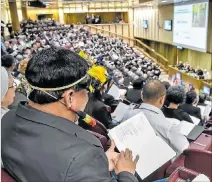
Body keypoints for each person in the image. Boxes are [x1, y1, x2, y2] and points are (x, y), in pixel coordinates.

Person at [2, 47, 139, 182]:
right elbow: (70, 164)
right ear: (70, 97)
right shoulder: (82, 156)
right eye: (86, 91)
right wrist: (126, 173)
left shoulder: (7, 119)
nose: (88, 96)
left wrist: (95, 167)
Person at [124, 80, 189, 154]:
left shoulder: (127, 114)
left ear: (142, 95)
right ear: (162, 99)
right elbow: (186, 149)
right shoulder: (169, 127)